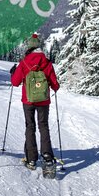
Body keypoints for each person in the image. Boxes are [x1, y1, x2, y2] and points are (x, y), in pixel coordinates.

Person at [10, 33, 60, 171]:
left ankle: (31, 159)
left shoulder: (25, 62)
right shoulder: (47, 62)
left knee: (29, 126)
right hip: (43, 101)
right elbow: (55, 85)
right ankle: (47, 157)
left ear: (29, 47)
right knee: (43, 126)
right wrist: (52, 86)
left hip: (28, 100)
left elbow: (15, 82)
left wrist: (13, 73)